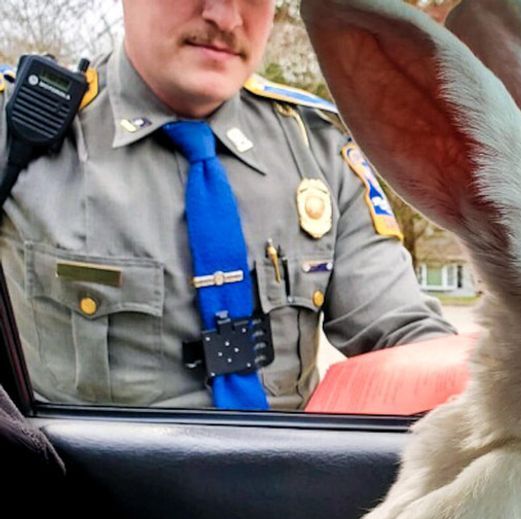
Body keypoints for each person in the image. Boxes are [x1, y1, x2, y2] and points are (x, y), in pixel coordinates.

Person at [0, 0, 456, 410]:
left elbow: (405, 338)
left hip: (282, 490)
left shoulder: (318, 149)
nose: (225, 16)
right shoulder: (19, 133)